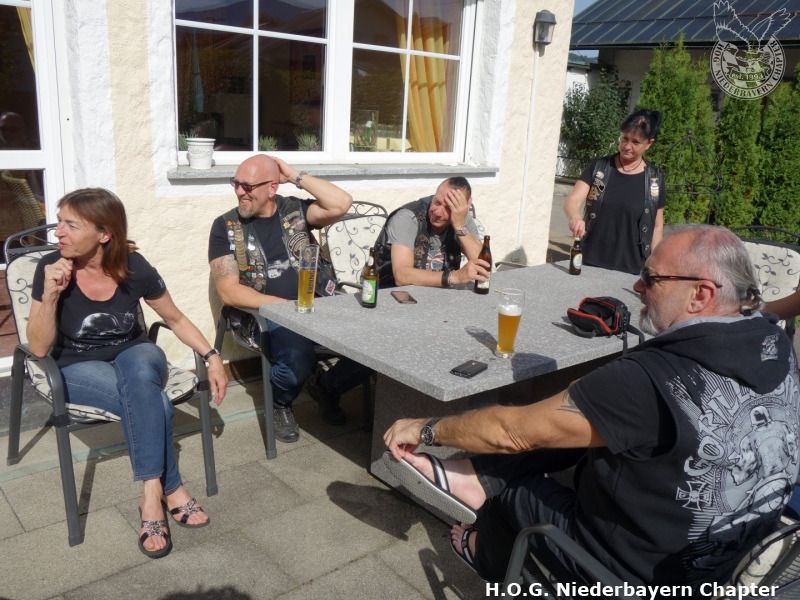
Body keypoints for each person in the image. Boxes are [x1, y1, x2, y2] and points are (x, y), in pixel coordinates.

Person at [383, 224, 800, 587]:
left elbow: (511, 432)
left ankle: (484, 554)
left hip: (637, 578)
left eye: (651, 278)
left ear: (700, 294)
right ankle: (478, 475)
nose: (637, 287)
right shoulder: (774, 343)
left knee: (516, 494)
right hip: (732, 561)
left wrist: (427, 428)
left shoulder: (651, 378)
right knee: (585, 428)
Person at [28, 188, 228, 559]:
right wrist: (52, 294)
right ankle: (165, 490)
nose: (58, 232)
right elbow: (38, 348)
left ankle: (151, 495)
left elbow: (174, 318)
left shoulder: (135, 266)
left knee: (141, 371)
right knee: (152, 400)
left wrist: (212, 356)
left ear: (104, 233)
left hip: (136, 353)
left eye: (71, 224)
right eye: (59, 222)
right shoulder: (51, 268)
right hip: (76, 366)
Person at [208, 154, 352, 440]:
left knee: (372, 341)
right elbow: (229, 291)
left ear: (272, 187)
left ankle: (328, 386)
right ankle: (280, 401)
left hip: (317, 304)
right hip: (264, 315)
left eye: (248, 186)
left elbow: (341, 203)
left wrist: (295, 175)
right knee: (298, 356)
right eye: (236, 184)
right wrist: (284, 307)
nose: (239, 192)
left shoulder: (294, 210)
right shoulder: (225, 227)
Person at [563, 109, 666, 275]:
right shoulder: (600, 168)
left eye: (635, 142)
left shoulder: (654, 179)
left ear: (649, 144)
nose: (627, 146)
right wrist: (575, 217)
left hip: (631, 269)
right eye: (624, 138)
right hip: (590, 262)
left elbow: (657, 226)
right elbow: (572, 201)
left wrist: (656, 264)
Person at [373, 177, 490, 288]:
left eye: (448, 208)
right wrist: (454, 277)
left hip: (438, 294)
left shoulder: (460, 217)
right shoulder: (407, 217)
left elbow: (483, 266)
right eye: (437, 202)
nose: (438, 212)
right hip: (389, 293)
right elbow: (402, 276)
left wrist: (460, 226)